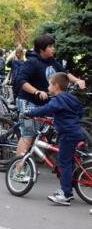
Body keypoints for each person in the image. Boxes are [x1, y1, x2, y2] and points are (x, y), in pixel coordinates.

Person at [14, 34, 86, 171]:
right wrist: (36, 91)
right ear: (42, 48)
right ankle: (19, 170)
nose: (54, 49)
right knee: (28, 135)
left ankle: (40, 155)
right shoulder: (32, 62)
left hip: (45, 101)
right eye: (51, 46)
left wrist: (77, 80)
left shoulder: (51, 60)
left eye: (54, 46)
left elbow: (64, 74)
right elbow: (21, 81)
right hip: (28, 100)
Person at [24, 72, 84, 206]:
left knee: (64, 163)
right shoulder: (71, 98)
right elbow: (79, 112)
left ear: (56, 86)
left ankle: (65, 194)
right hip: (75, 132)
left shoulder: (58, 100)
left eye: (50, 84)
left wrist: (30, 113)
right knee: (70, 162)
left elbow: (46, 108)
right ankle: (70, 188)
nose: (48, 87)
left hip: (67, 134)